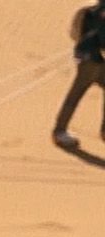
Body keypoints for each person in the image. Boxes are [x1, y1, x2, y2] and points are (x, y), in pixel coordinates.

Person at [54, 2, 105, 147]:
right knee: (76, 92)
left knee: (76, 92)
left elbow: (74, 33)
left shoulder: (89, 11)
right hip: (94, 60)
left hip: (87, 57)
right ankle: (59, 131)